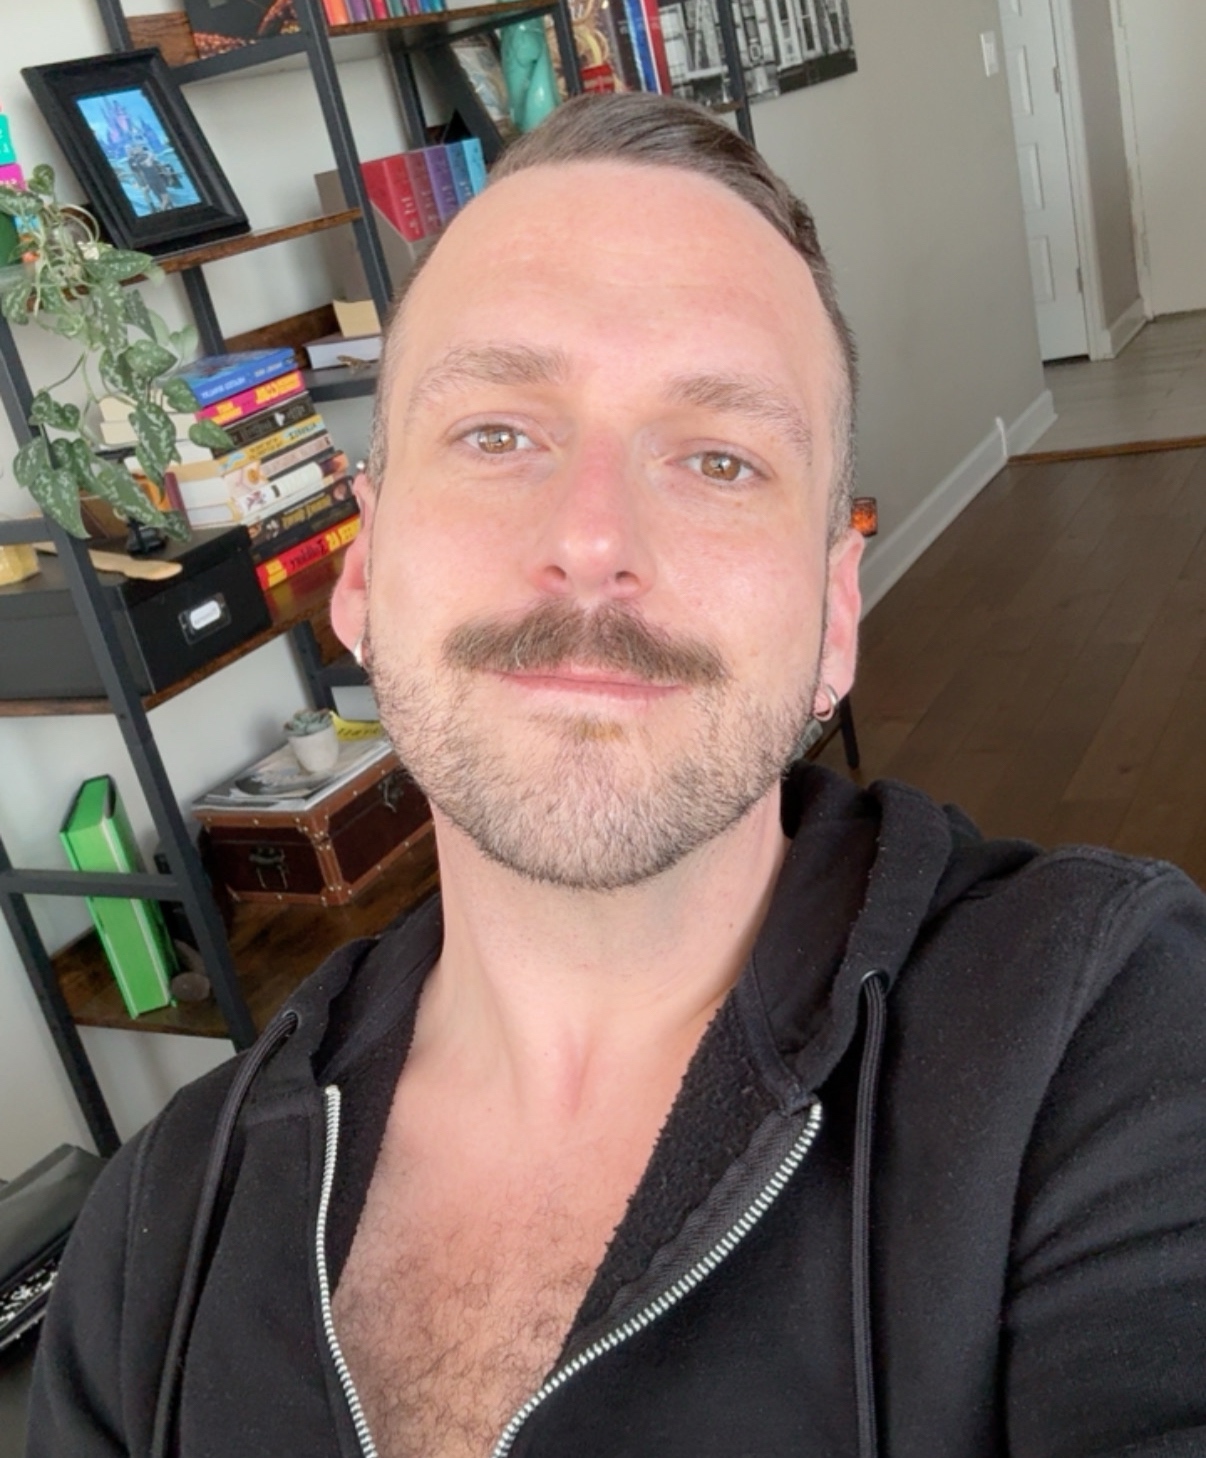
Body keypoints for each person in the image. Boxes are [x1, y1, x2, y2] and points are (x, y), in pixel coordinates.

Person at [28, 93, 1206, 1458]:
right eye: (497, 432)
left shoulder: (1101, 1039)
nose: (593, 539)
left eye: (718, 458)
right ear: (364, 568)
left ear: (834, 614)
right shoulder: (155, 1239)